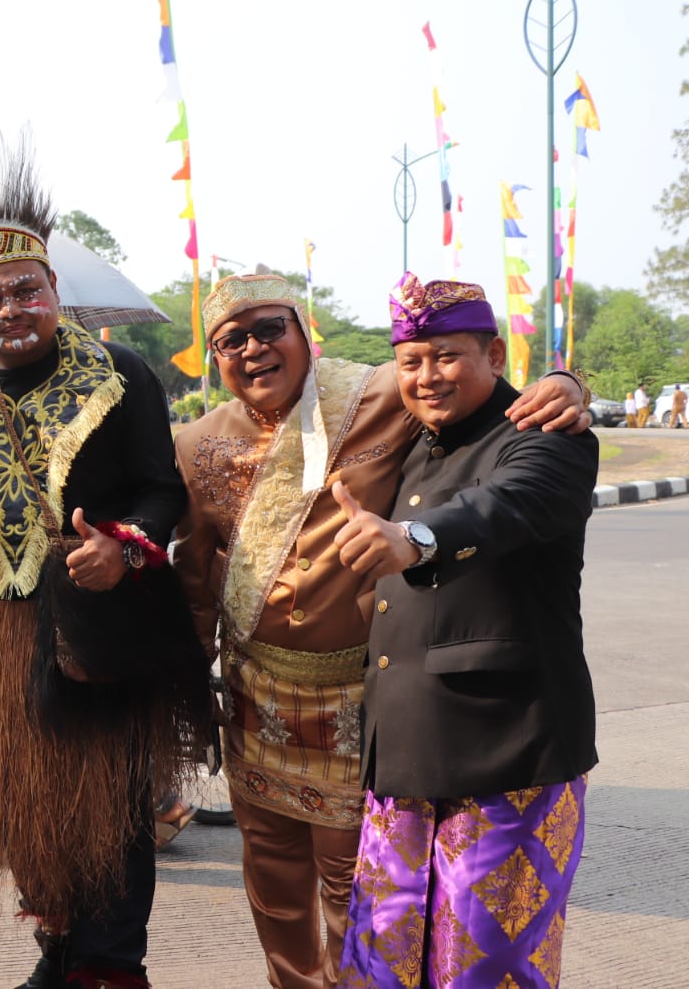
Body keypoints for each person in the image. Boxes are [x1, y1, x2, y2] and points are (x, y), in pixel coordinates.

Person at [170, 274, 589, 989]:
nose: (253, 349)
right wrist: (185, 693)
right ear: (213, 359)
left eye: (270, 328)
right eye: (230, 340)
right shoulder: (198, 443)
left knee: (375, 901)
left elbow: (498, 447)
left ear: (305, 332)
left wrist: (565, 382)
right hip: (262, 700)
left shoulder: (378, 398)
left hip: (359, 703)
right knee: (300, 897)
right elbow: (196, 575)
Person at [0, 133, 209, 989]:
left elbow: (165, 495)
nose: (9, 310)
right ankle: (57, 954)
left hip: (99, 626)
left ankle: (112, 967)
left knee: (110, 811)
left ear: (54, 289)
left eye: (24, 290)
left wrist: (123, 550)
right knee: (29, 807)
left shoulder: (120, 375)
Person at [333, 275, 598, 988]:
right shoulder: (410, 438)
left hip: (506, 758)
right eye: (411, 361)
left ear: (493, 353)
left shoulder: (545, 435)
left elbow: (510, 505)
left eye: (447, 356)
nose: (427, 376)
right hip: (402, 759)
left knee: (483, 969)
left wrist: (414, 539)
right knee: (382, 964)